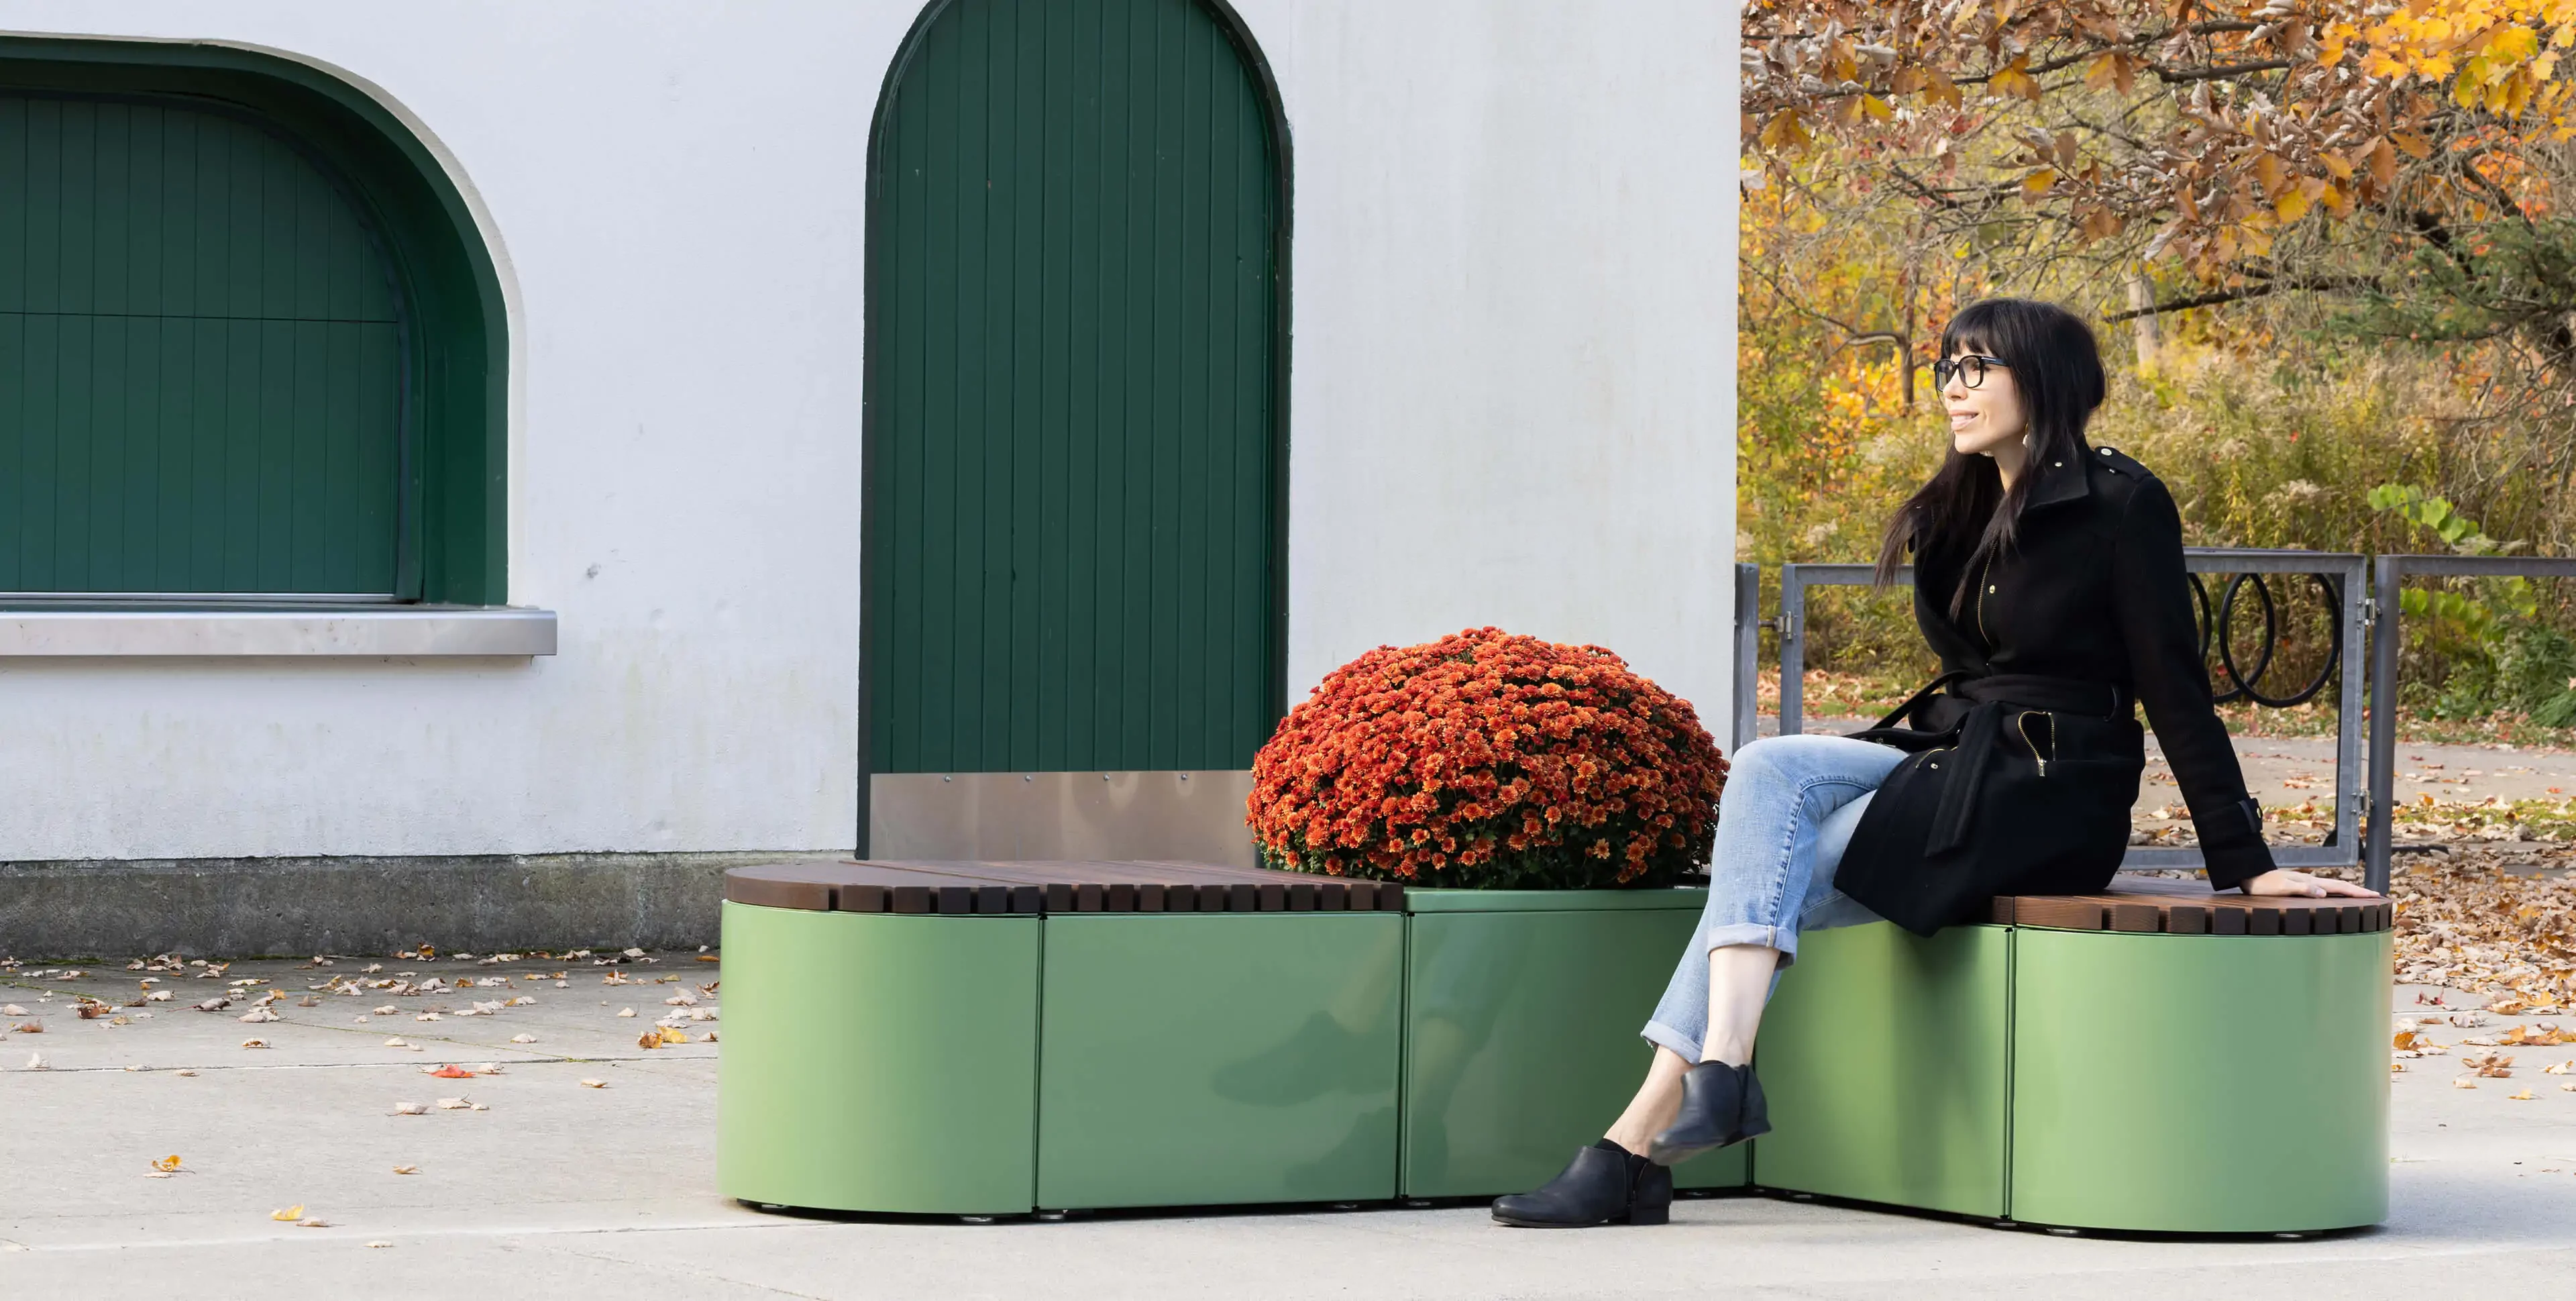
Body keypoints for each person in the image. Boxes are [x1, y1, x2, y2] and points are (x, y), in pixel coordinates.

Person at [1491, 297, 2381, 1229]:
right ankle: (1712, 1077)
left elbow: (2177, 688)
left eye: (1975, 368)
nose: (1953, 390)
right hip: (1958, 759)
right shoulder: (1961, 504)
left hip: (2050, 790)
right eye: (1946, 370)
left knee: (1769, 874)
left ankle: (1636, 1147)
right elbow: (1970, 668)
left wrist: (2244, 858)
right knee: (1765, 774)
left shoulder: (2122, 502)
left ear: (2042, 380)